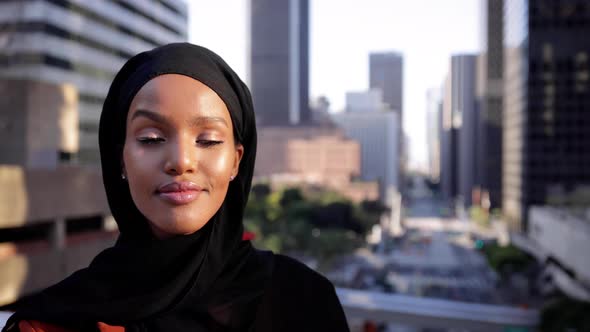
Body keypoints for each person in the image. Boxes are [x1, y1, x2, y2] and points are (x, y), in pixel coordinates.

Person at [3, 43, 350, 332]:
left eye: (209, 140)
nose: (181, 161)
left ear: (236, 161)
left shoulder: (304, 301)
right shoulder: (51, 324)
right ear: (120, 159)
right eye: (151, 138)